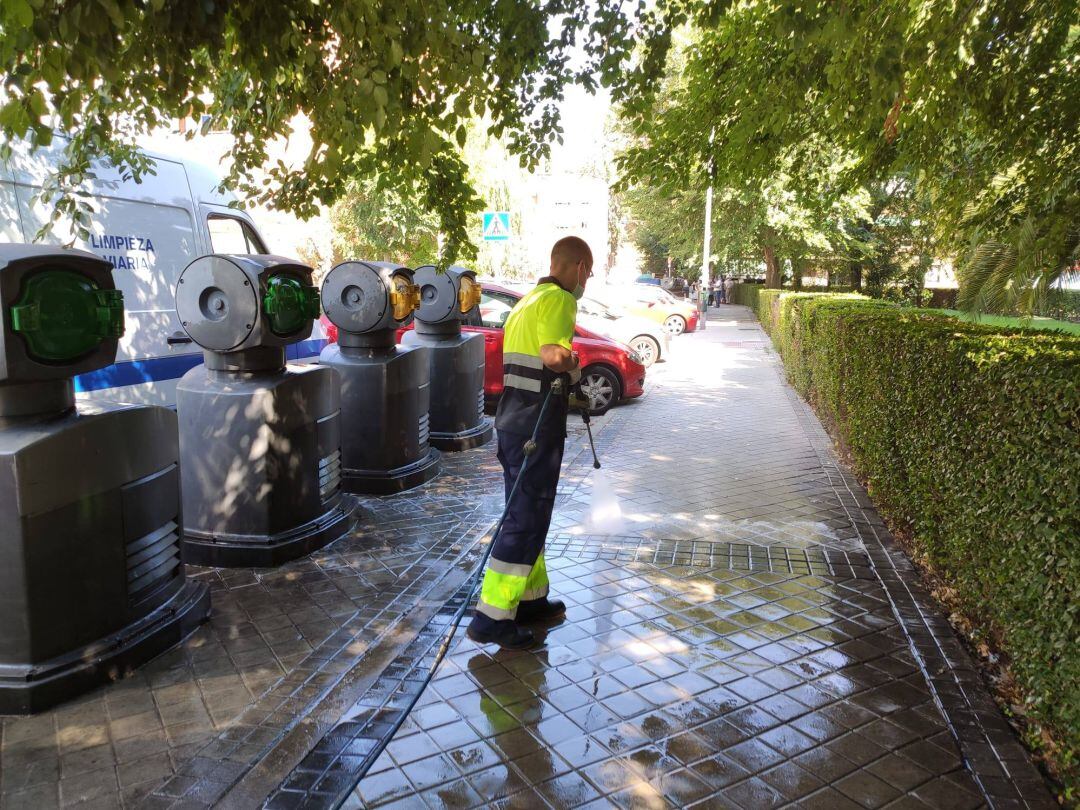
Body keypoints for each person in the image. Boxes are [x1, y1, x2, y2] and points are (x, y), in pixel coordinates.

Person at [467, 236, 593, 649]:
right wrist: (574, 362)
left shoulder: (527, 301)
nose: (585, 282)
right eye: (587, 273)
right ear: (578, 268)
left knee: (527, 513)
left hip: (513, 422)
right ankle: (492, 615)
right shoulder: (559, 300)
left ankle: (529, 600)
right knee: (526, 517)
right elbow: (554, 355)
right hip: (536, 428)